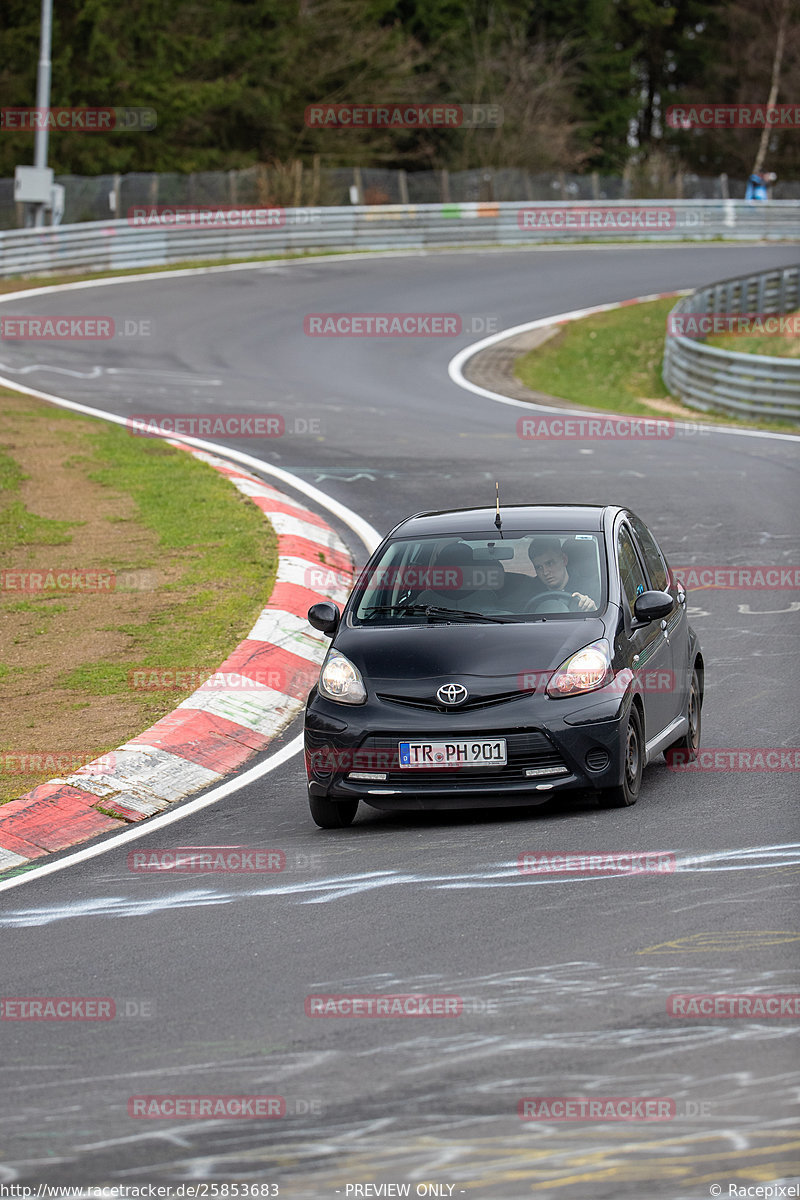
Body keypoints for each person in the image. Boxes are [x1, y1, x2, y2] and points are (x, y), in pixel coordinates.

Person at [528, 537, 597, 612]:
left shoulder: (590, 588)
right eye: (539, 567)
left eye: (549, 563)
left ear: (564, 560)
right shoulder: (530, 594)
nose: (545, 572)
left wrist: (593, 609)